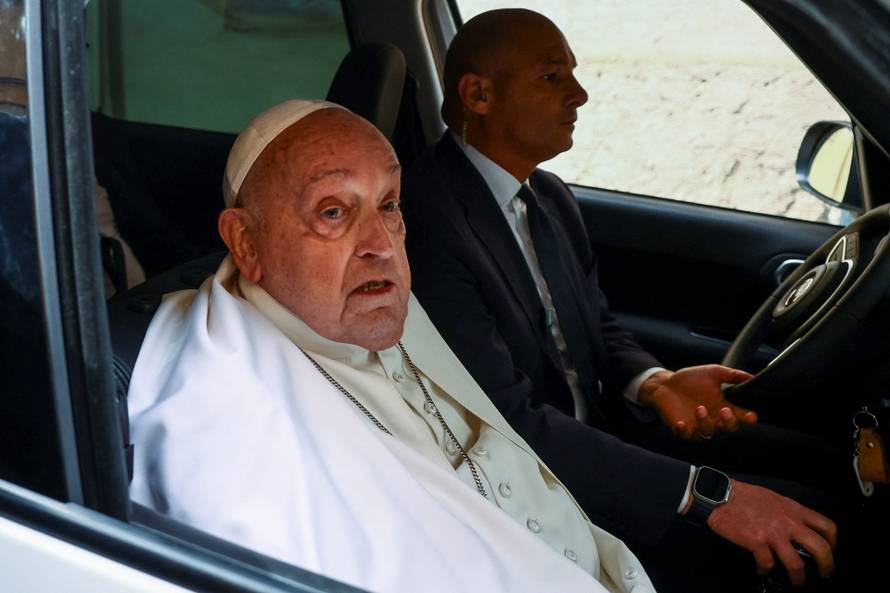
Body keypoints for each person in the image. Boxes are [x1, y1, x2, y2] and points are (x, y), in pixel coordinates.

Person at [128, 99, 651, 593]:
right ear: (246, 242)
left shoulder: (365, 299)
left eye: (389, 204)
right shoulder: (226, 418)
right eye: (333, 212)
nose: (380, 244)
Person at [402, 8, 840, 591]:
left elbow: (597, 326)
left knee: (828, 464)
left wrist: (655, 383)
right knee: (814, 528)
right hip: (542, 485)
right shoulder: (429, 224)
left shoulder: (548, 197)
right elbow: (506, 422)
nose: (579, 95)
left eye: (573, 73)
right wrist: (706, 496)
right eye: (552, 76)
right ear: (478, 95)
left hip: (604, 434)